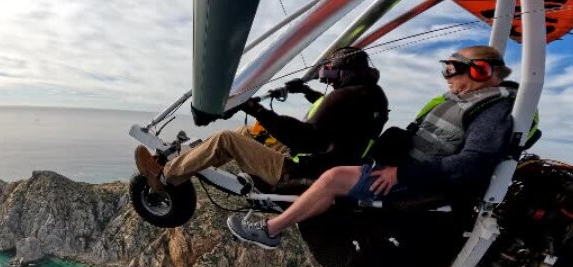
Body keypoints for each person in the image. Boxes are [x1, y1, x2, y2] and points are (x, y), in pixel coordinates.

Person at [227, 45, 517, 249]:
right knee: (335, 168)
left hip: (416, 181)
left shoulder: (492, 111)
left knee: (334, 177)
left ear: (480, 71)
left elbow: (473, 162)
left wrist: (402, 174)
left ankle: (271, 231)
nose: (448, 77)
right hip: (404, 167)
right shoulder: (459, 102)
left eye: (452, 70)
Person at [134, 47, 389, 192]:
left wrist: (257, 109)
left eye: (329, 73)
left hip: (301, 173)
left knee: (226, 139)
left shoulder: (344, 97)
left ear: (343, 71)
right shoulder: (372, 96)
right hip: (329, 165)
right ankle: (186, 163)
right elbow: (335, 123)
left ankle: (164, 177)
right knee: (246, 133)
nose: (326, 80)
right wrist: (305, 92)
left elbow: (304, 138)